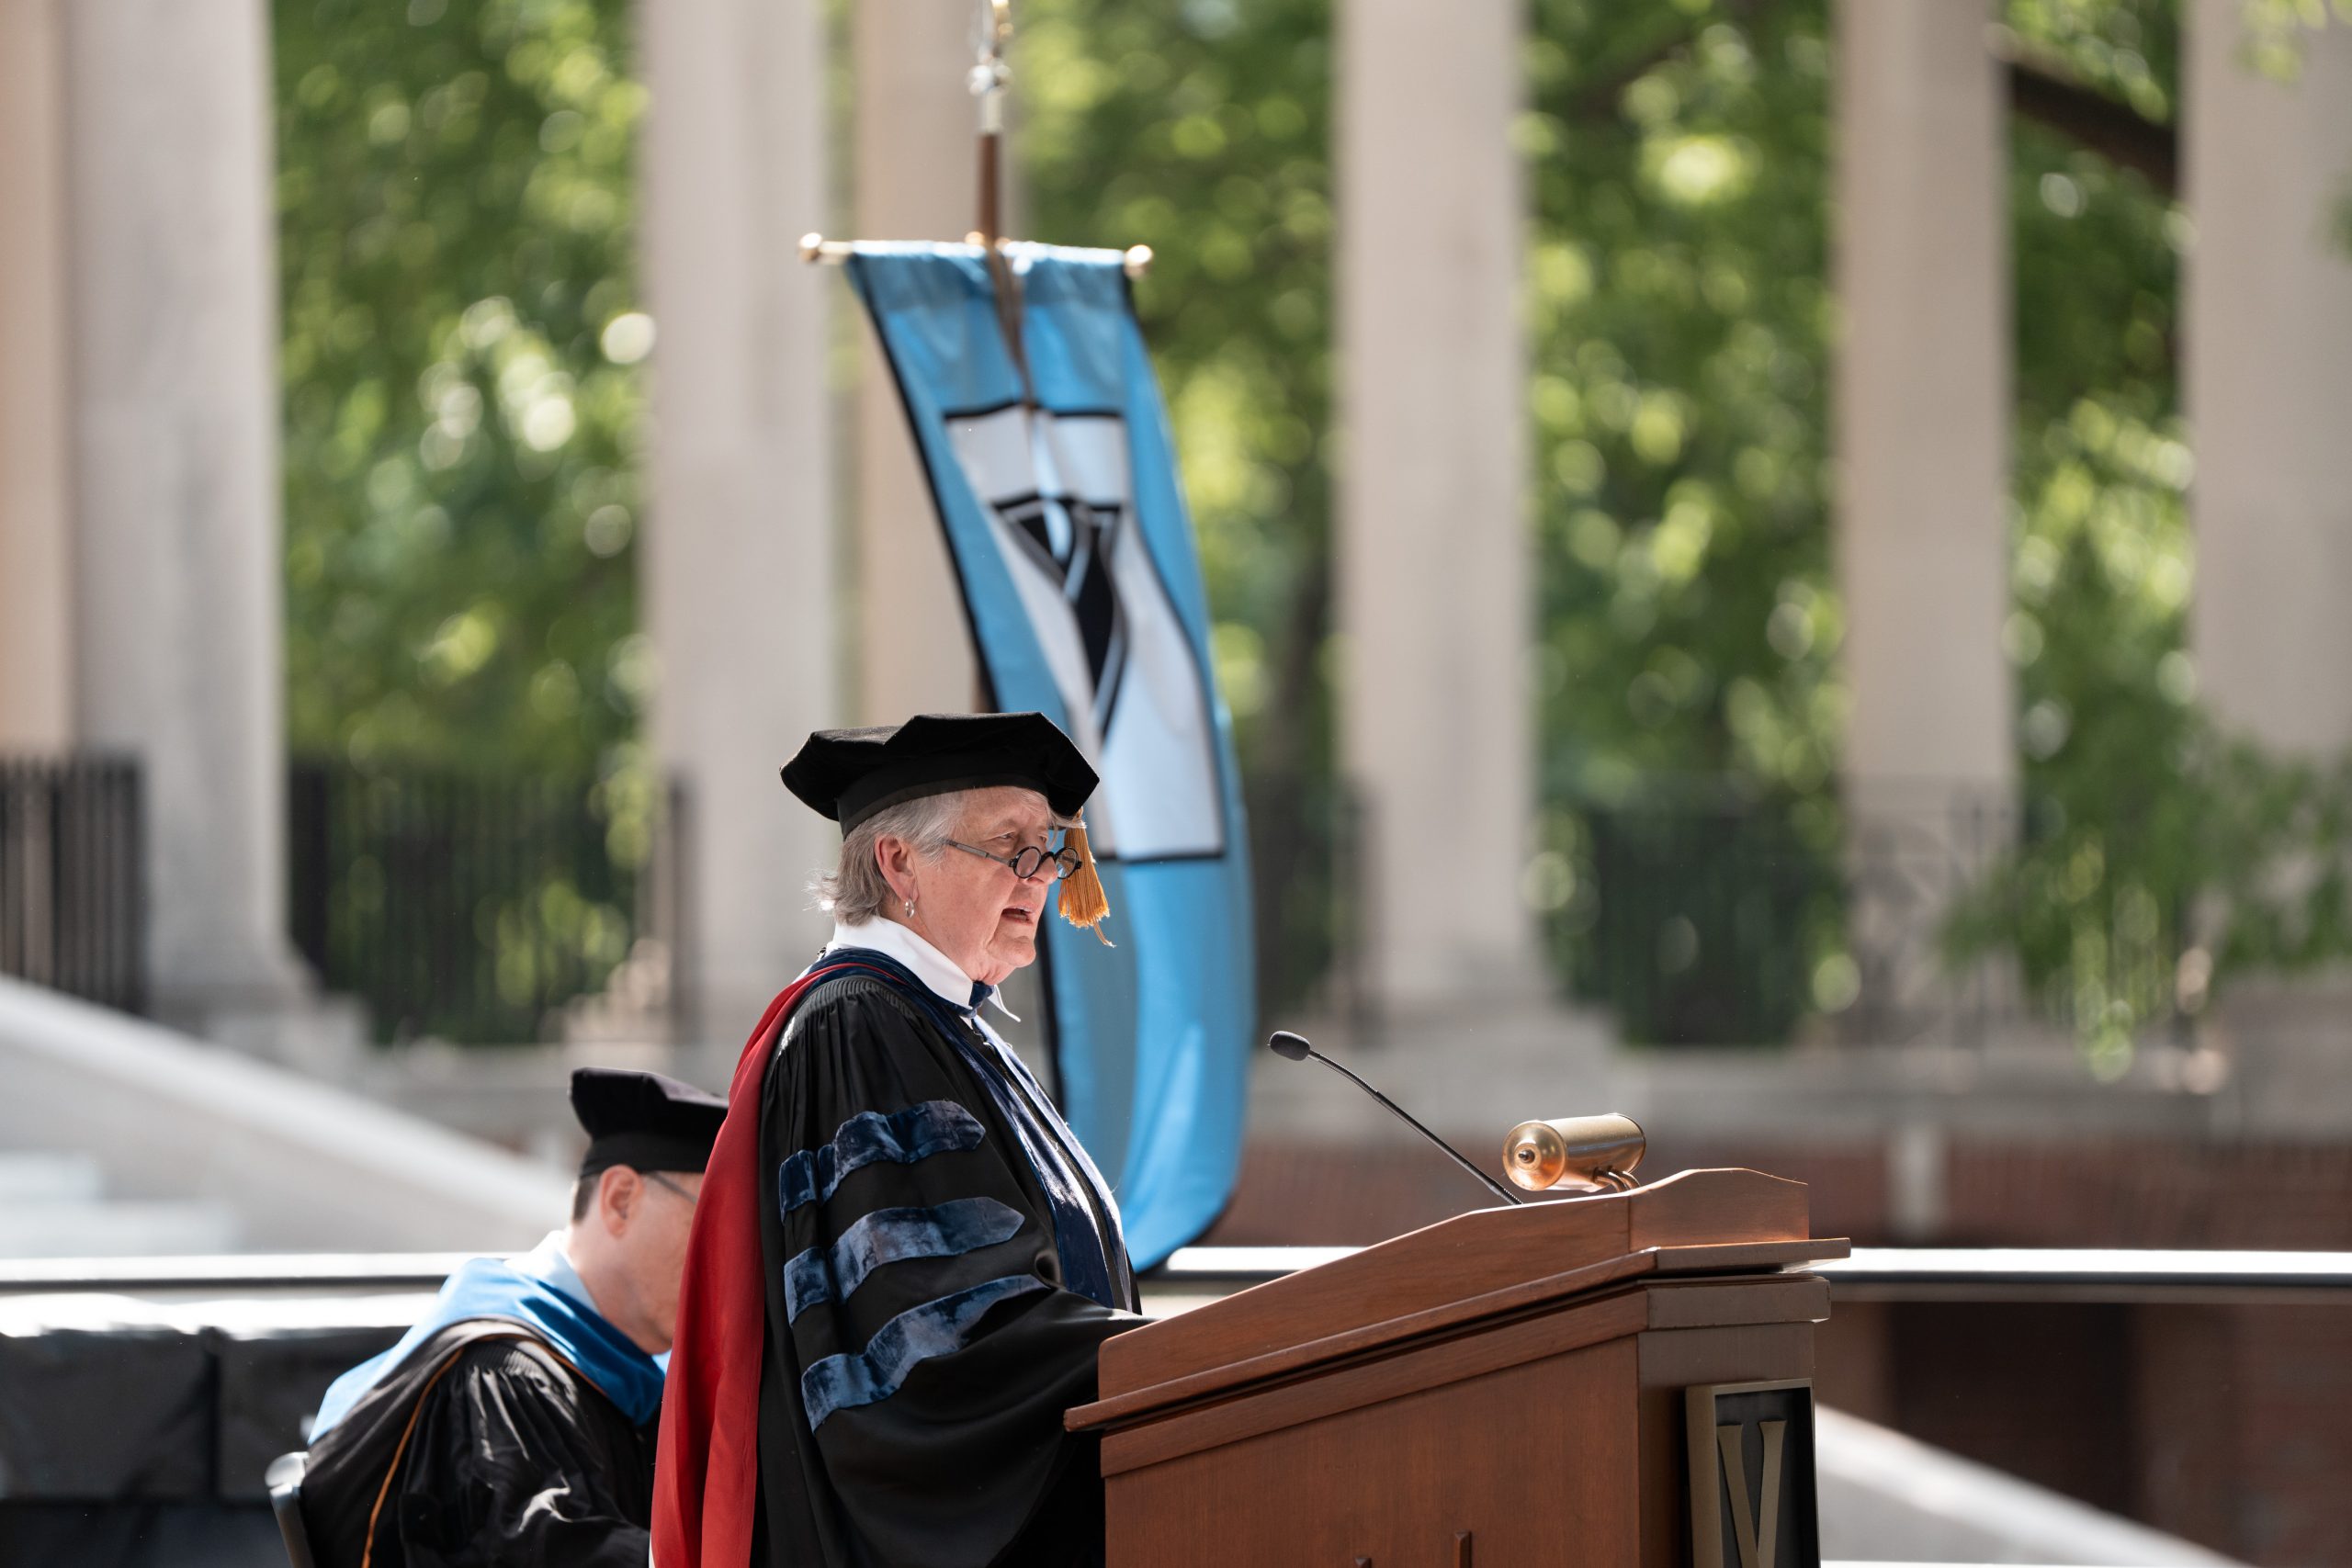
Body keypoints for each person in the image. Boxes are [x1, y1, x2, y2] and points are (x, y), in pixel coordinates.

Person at [655, 712, 1147, 1568]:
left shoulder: (946, 1029)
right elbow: (932, 1330)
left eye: (1048, 849)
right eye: (1010, 846)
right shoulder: (859, 1028)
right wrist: (1157, 1360)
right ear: (897, 862)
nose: (1039, 876)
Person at [295, 1067, 724, 1568]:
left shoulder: (624, 1375)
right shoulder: (502, 1373)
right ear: (620, 1200)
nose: (727, 1263)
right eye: (710, 1225)